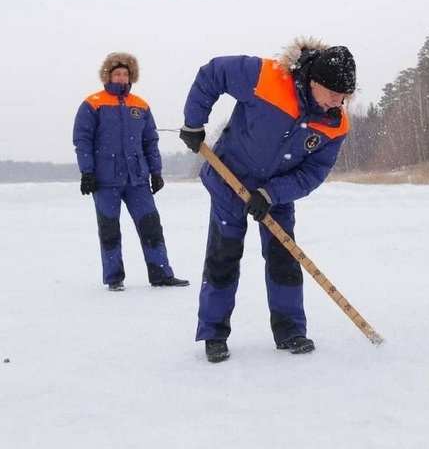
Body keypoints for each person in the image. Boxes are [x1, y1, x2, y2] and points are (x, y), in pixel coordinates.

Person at [179, 37, 356, 363]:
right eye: (333, 94)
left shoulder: (335, 124)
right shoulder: (266, 77)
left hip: (276, 193)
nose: (338, 103)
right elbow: (213, 74)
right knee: (224, 255)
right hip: (228, 180)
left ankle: (290, 331)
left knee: (284, 258)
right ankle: (214, 333)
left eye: (344, 97)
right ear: (314, 81)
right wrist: (194, 121)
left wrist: (272, 194)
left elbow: (313, 173)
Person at [73, 52, 190, 292]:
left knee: (151, 227)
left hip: (137, 179)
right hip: (105, 181)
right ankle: (114, 278)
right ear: (108, 75)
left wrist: (156, 172)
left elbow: (150, 141)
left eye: (125, 74)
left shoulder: (140, 105)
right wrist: (87, 172)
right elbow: (82, 140)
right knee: (109, 229)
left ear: (131, 76)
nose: (121, 78)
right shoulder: (92, 103)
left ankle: (161, 274)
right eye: (117, 73)